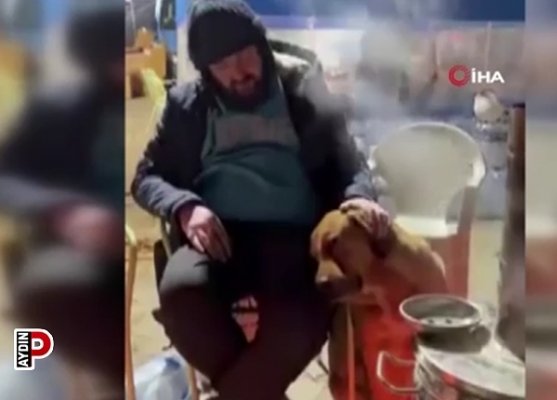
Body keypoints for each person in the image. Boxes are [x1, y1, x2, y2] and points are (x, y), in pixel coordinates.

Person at [131, 0, 390, 399]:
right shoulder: (187, 106)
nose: (238, 72)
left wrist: (360, 198)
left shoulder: (302, 91)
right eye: (222, 64)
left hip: (296, 240)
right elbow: (146, 177)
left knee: (301, 321)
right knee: (181, 298)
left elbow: (349, 163)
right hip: (219, 237)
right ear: (206, 70)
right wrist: (185, 207)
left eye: (244, 54)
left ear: (262, 45)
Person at [0, 5, 124, 399]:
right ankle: (30, 377)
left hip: (116, 257)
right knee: (33, 332)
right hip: (49, 245)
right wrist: (64, 211)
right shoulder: (56, 105)